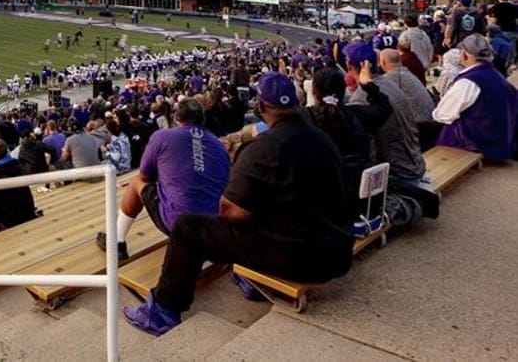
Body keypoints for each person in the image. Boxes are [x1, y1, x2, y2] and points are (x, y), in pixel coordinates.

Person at [123, 72, 353, 336]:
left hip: (303, 258)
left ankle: (163, 310)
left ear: (262, 107)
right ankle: (247, 276)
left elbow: (230, 212)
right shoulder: (322, 140)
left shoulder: (263, 148)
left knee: (188, 226)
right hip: (337, 254)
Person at [97, 99, 229, 260]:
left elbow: (145, 176)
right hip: (214, 226)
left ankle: (117, 242)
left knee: (136, 182)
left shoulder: (163, 136)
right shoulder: (218, 145)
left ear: (176, 117)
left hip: (182, 224)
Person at [433, 34, 518, 161]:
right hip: (500, 141)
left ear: (464, 55)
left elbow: (442, 114)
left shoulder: (469, 81)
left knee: (445, 127)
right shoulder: (498, 77)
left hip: (477, 144)